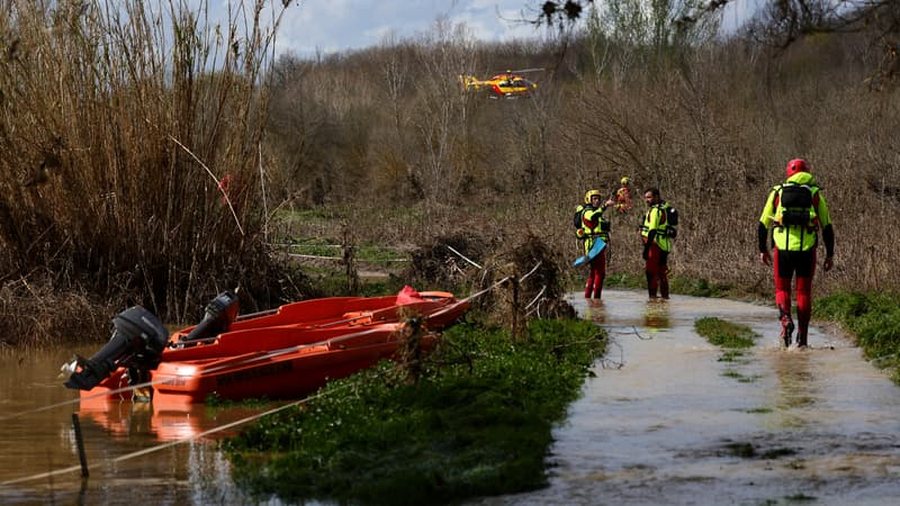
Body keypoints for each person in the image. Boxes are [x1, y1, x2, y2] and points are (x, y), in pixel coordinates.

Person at [758, 158, 834, 348]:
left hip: (782, 250)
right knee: (804, 292)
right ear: (807, 172)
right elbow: (827, 227)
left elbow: (762, 224)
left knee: (782, 289)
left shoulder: (777, 192)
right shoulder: (815, 194)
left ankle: (785, 320)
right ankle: (803, 339)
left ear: (789, 173)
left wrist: (762, 249)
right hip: (807, 250)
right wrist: (830, 254)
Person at [577, 189, 615, 299]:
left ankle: (588, 299)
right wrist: (605, 206)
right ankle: (597, 299)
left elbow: (599, 224)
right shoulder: (588, 211)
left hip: (599, 244)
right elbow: (593, 217)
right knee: (600, 273)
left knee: (594, 273)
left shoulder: (596, 212)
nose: (597, 201)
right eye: (594, 198)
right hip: (594, 245)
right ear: (589, 200)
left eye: (598, 198)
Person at [640, 188, 674, 300]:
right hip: (663, 245)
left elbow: (653, 230)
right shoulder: (663, 208)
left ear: (656, 197)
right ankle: (665, 298)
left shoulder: (655, 210)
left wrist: (646, 249)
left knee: (651, 273)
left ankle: (652, 299)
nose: (647, 200)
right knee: (661, 273)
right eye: (645, 198)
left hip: (654, 245)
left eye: (649, 197)